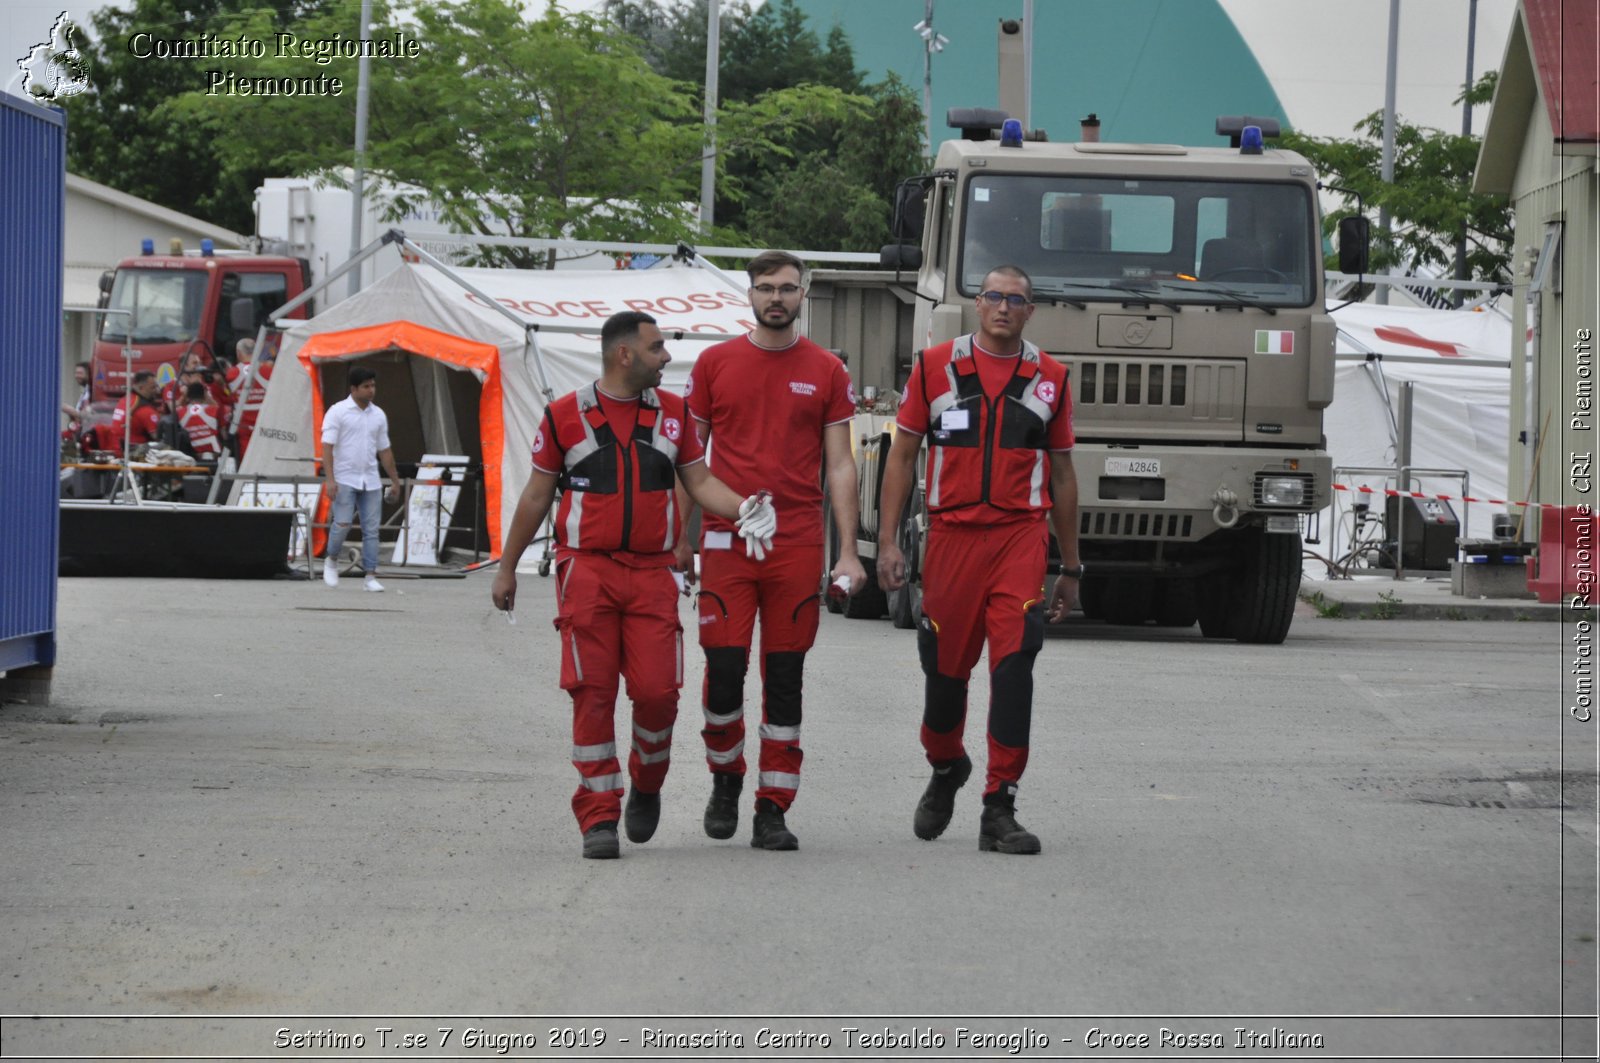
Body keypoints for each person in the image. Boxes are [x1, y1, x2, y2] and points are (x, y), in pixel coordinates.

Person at [491, 311, 778, 860]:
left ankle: (646, 784)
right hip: (587, 571)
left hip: (652, 574)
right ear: (624, 355)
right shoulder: (563, 417)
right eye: (656, 348)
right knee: (592, 695)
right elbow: (534, 497)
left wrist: (744, 508)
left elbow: (699, 481)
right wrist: (507, 569)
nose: (666, 357)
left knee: (656, 695)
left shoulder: (676, 414)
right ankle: (598, 817)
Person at [876, 265, 1081, 856]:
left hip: (1019, 538)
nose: (1003, 308)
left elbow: (1064, 475)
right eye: (993, 296)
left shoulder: (1052, 378)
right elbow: (902, 456)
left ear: (1030, 311)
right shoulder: (936, 366)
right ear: (977, 303)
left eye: (1016, 300)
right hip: (952, 540)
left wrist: (1070, 567)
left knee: (1015, 665)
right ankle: (946, 768)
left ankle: (1000, 806)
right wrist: (888, 541)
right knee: (944, 673)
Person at [684, 250, 867, 851]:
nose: (776, 298)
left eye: (788, 288)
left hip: (795, 543)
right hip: (727, 538)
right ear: (749, 295)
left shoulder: (826, 370)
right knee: (724, 673)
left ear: (804, 295)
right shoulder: (714, 364)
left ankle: (773, 806)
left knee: (785, 678)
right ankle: (726, 777)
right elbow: (689, 462)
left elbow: (840, 464)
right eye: (766, 288)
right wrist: (680, 540)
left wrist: (847, 552)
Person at [320, 366, 403, 593]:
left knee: (371, 529)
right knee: (342, 523)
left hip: (371, 480)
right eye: (366, 386)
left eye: (373, 386)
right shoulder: (338, 411)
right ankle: (332, 558)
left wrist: (394, 480)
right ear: (354, 388)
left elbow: (384, 450)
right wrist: (330, 479)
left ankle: (370, 575)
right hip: (345, 477)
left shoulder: (378, 415)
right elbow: (327, 447)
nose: (371, 390)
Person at [99, 371, 161, 456]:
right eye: (152, 387)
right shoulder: (144, 408)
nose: (156, 391)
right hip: (132, 454)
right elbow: (157, 437)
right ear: (141, 387)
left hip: (115, 450)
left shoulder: (124, 400)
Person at [228, 337, 271, 458]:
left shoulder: (232, 373)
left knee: (247, 460)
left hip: (242, 425)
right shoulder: (268, 371)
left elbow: (227, 398)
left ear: (238, 353)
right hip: (264, 422)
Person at [178, 381, 224, 460]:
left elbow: (176, 406)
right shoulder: (214, 410)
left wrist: (184, 396)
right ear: (204, 396)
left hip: (191, 454)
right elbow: (223, 433)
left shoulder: (180, 412)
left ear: (187, 396)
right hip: (214, 453)